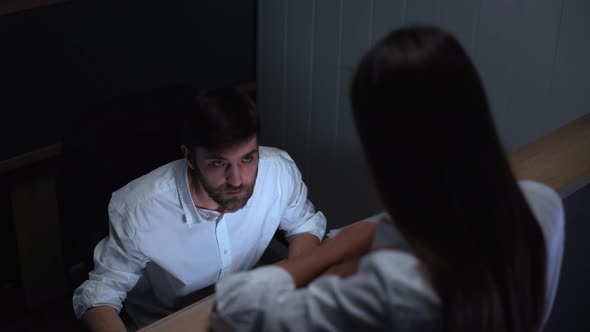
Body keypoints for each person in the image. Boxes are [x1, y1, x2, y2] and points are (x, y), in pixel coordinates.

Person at [209, 26, 565, 332]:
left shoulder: (394, 285)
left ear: (386, 154)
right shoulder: (541, 205)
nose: (237, 178)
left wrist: (335, 249)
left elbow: (231, 310)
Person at [72, 87, 327, 331]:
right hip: (167, 321)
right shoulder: (138, 209)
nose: (237, 180)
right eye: (219, 163)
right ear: (190, 158)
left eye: (248, 158)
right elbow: (100, 295)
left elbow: (303, 224)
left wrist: (296, 287)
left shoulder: (278, 171)